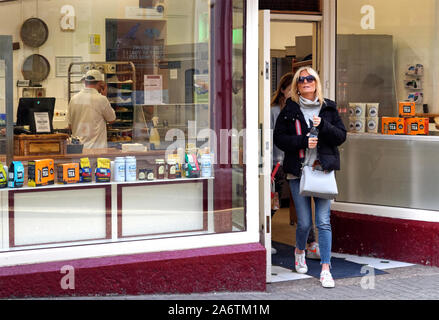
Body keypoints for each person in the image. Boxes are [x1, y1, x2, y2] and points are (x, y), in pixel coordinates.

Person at [273, 67, 346, 288]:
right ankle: (299, 251)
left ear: (316, 83)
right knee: (304, 223)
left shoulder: (328, 108)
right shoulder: (289, 109)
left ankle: (325, 268)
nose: (306, 82)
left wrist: (323, 126)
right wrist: (303, 142)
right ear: (297, 85)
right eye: (301, 79)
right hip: (298, 172)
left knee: (323, 222)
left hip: (322, 171)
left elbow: (341, 136)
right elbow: (280, 139)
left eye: (310, 79)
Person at [270, 72, 320, 260]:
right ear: (283, 90)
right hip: (278, 162)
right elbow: (273, 138)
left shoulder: (303, 109)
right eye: (294, 85)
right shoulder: (275, 110)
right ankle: (264, 237)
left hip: (299, 163)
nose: (300, 88)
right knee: (274, 203)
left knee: (305, 206)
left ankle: (311, 243)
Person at [67, 69, 116, 149]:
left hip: (78, 149)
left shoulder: (74, 99)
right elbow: (111, 119)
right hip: (96, 149)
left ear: (85, 82)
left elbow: (69, 125)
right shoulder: (101, 99)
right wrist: (105, 96)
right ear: (101, 84)